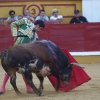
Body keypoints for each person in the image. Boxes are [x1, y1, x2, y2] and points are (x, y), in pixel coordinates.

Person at [0, 18, 45, 95]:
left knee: (25, 69)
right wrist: (15, 34)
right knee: (9, 69)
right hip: (15, 51)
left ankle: (28, 88)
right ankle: (2, 88)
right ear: (37, 25)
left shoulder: (36, 36)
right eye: (40, 28)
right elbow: (13, 24)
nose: (40, 30)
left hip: (24, 55)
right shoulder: (25, 21)